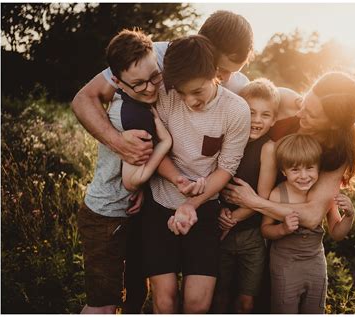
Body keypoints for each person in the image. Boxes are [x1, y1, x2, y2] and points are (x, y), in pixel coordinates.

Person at [71, 11, 255, 313]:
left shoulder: (233, 89)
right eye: (221, 68)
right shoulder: (152, 57)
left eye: (234, 71)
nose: (226, 78)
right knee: (110, 301)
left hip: (161, 198)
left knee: (139, 295)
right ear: (203, 46)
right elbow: (84, 99)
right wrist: (122, 148)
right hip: (117, 201)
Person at [140, 35, 250, 313]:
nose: (190, 101)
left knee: (197, 303)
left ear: (216, 74)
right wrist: (177, 179)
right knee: (164, 301)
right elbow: (156, 149)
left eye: (197, 91)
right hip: (159, 204)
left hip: (204, 208)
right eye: (182, 92)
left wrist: (191, 204)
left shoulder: (236, 110)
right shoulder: (164, 95)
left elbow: (226, 167)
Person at [77, 29, 172, 314]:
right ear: (116, 82)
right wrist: (165, 143)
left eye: (155, 77)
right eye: (138, 84)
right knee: (103, 306)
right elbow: (132, 181)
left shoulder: (139, 103)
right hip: (106, 216)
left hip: (125, 213)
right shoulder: (133, 115)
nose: (150, 88)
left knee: (133, 296)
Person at [223, 71, 355, 239]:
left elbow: (312, 216)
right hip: (231, 207)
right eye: (304, 102)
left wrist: (254, 202)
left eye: (310, 114)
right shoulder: (283, 99)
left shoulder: (336, 152)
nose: (299, 114)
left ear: (333, 125)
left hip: (273, 231)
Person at [261, 133, 355, 313]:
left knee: (314, 309)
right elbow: (265, 230)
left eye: (310, 168)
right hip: (285, 264)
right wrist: (282, 229)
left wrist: (349, 216)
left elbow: (337, 233)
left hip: (315, 263)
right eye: (295, 170)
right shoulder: (278, 194)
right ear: (283, 171)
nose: (303, 176)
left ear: (319, 168)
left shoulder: (322, 196)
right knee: (284, 308)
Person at [212, 78, 279, 313]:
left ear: (274, 119)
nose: (257, 120)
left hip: (251, 236)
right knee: (218, 295)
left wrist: (233, 219)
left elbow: (263, 197)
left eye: (265, 115)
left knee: (246, 300)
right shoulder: (227, 137)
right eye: (251, 113)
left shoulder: (268, 149)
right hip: (218, 231)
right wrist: (220, 215)